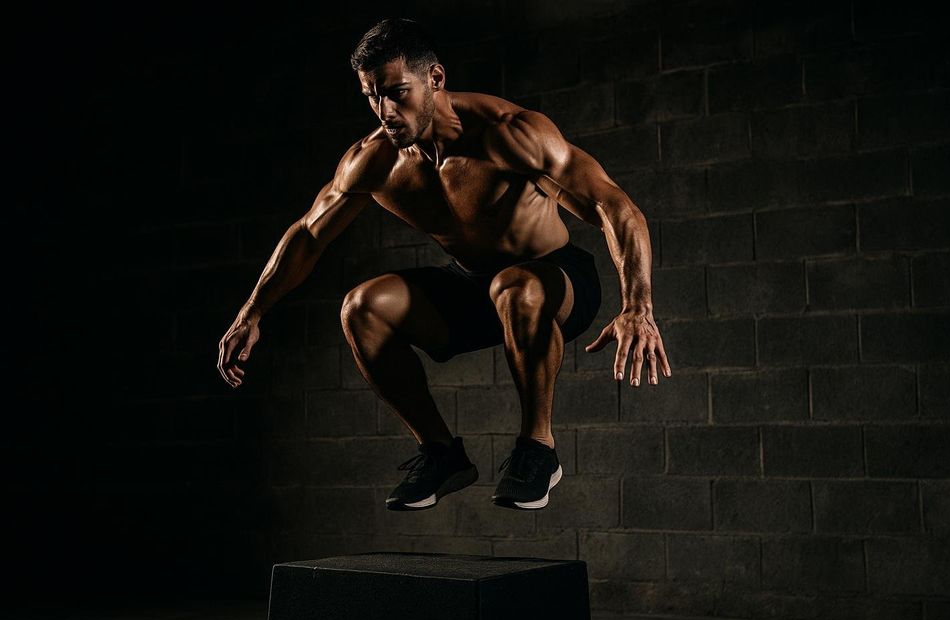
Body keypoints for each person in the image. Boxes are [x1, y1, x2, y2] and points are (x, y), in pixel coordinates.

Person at [217, 18, 671, 512]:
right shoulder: (374, 161)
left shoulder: (508, 134)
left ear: (435, 78)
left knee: (515, 285)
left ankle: (539, 450)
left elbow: (613, 205)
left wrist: (638, 306)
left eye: (396, 92)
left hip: (554, 276)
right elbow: (307, 235)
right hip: (474, 285)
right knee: (361, 308)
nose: (385, 110)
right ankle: (441, 454)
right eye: (372, 96)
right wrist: (251, 313)